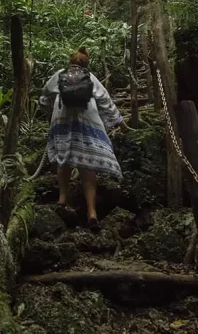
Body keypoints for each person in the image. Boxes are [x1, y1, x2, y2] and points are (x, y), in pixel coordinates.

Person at [40, 48, 130, 230]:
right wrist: (121, 123)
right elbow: (105, 100)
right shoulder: (90, 77)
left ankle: (62, 199)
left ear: (70, 61)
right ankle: (92, 212)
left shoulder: (60, 74)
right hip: (86, 117)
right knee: (88, 166)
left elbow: (44, 95)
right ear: (86, 63)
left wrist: (50, 110)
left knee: (63, 158)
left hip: (62, 117)